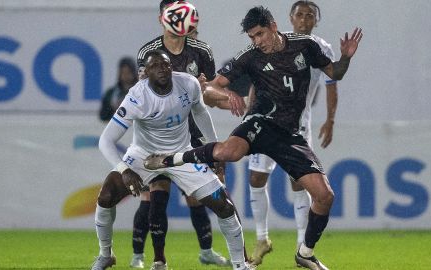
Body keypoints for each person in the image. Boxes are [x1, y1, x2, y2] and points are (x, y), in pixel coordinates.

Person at [144, 6, 362, 270]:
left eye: (259, 34)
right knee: (228, 153)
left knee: (325, 196)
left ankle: (305, 252)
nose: (256, 42)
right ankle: (170, 159)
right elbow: (211, 84)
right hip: (260, 123)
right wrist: (229, 95)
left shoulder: (305, 46)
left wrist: (346, 57)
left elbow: (335, 73)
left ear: (272, 26)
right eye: (251, 37)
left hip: (291, 134)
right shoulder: (250, 56)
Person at [91, 50, 252, 270]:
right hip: (143, 155)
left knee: (224, 205)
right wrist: (124, 170)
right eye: (155, 66)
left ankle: (240, 265)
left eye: (166, 64)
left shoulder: (188, 83)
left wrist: (214, 149)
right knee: (107, 195)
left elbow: (201, 113)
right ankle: (105, 254)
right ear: (146, 73)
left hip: (181, 156)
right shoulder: (137, 96)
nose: (162, 69)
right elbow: (106, 141)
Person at [130, 1, 230, 268]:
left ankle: (211, 251)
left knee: (201, 197)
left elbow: (206, 95)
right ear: (162, 18)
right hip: (160, 136)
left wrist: (220, 95)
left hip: (193, 135)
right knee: (156, 195)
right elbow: (144, 96)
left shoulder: (201, 51)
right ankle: (155, 258)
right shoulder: (148, 53)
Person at [247, 1, 338, 266]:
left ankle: (301, 244)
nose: (305, 19)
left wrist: (330, 120)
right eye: (300, 14)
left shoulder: (322, 48)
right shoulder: (277, 42)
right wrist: (250, 111)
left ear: (316, 21)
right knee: (255, 178)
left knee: (300, 181)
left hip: (299, 124)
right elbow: (258, 79)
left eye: (310, 15)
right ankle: (262, 237)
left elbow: (332, 85)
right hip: (265, 120)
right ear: (291, 18)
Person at [99, 57, 138, 122]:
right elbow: (103, 116)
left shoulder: (141, 92)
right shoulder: (111, 94)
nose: (126, 76)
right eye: (123, 73)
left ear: (134, 73)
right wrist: (113, 109)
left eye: (128, 73)